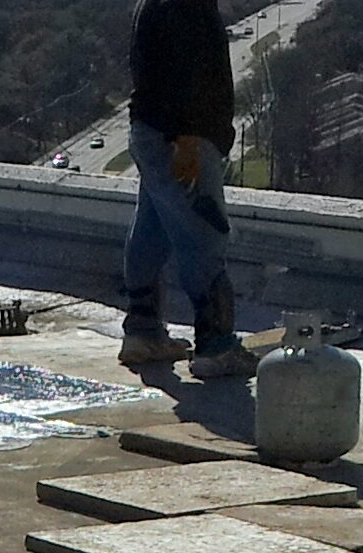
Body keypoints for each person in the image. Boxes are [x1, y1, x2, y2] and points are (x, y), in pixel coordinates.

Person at [120, 0, 256, 380]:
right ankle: (216, 346)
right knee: (204, 236)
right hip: (182, 140)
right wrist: (189, 140)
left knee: (152, 231)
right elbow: (192, 77)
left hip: (155, 132)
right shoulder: (185, 6)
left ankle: (143, 332)